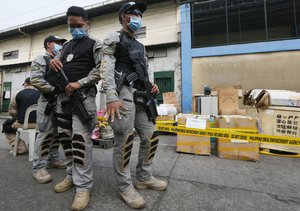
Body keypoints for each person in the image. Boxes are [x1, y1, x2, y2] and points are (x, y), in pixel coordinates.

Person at [101, 2, 167, 209]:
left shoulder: (140, 45)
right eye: (133, 13)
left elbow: (142, 69)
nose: (138, 16)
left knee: (151, 136)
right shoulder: (114, 38)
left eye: (139, 14)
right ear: (123, 17)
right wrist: (111, 95)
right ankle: (124, 186)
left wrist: (151, 85)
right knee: (125, 139)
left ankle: (144, 177)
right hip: (123, 94)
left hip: (142, 95)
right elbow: (107, 67)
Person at [49, 6, 102, 211]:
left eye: (78, 25)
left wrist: (80, 83)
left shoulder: (95, 44)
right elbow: (58, 65)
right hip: (63, 99)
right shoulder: (67, 46)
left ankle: (83, 187)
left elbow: (101, 69)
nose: (75, 29)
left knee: (80, 142)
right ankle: (71, 175)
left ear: (87, 24)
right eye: (71, 26)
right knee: (65, 139)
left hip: (83, 98)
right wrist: (54, 62)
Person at [30, 35, 67, 184]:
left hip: (60, 103)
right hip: (47, 102)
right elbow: (36, 80)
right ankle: (38, 167)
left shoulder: (61, 61)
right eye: (58, 43)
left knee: (57, 133)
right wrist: (53, 90)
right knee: (45, 133)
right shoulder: (41, 59)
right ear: (48, 44)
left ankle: (53, 159)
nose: (60, 45)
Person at [2, 78, 39, 155]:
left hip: (23, 124)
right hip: (39, 124)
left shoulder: (18, 94)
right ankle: (36, 145)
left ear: (25, 84)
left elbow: (11, 111)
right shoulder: (41, 94)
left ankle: (20, 147)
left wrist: (20, 113)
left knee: (6, 126)